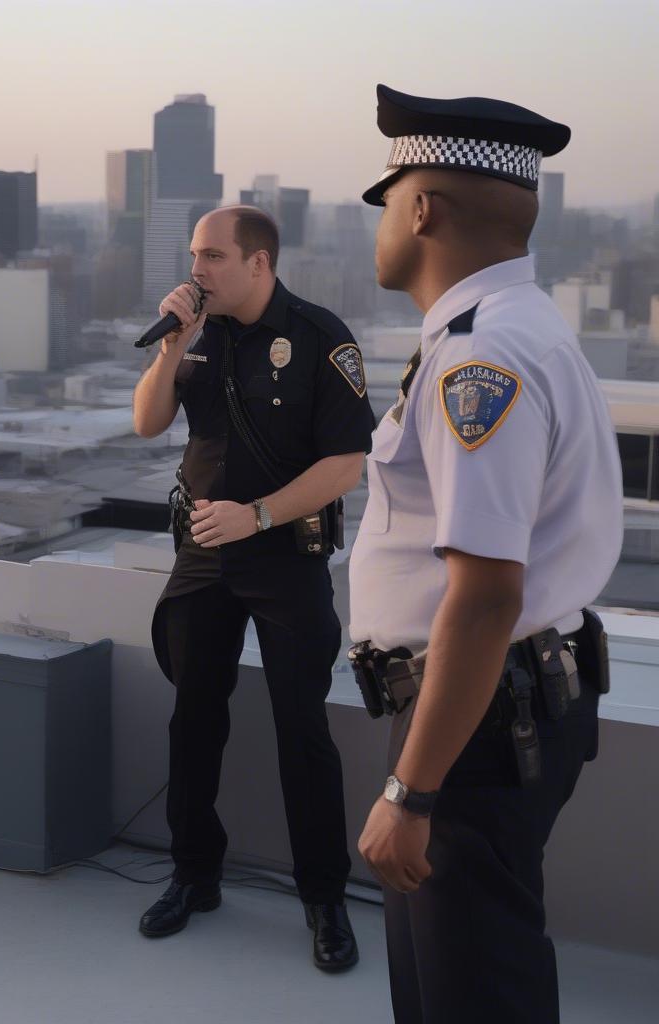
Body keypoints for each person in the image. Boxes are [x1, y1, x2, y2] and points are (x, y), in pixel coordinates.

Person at [349, 85, 623, 1022]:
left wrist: (411, 788)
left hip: (472, 728)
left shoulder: (482, 360)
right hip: (492, 708)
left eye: (385, 199)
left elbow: (484, 597)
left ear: (422, 207)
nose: (380, 222)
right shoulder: (517, 329)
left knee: (473, 997)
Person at [132, 205, 376, 971]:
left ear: (258, 263)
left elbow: (346, 466)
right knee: (193, 722)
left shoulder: (319, 335)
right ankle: (193, 875)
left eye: (212, 256)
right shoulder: (197, 337)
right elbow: (147, 422)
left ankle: (324, 900)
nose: (196, 269)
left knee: (301, 733)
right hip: (204, 554)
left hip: (285, 560)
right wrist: (173, 343)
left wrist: (260, 515)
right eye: (194, 256)